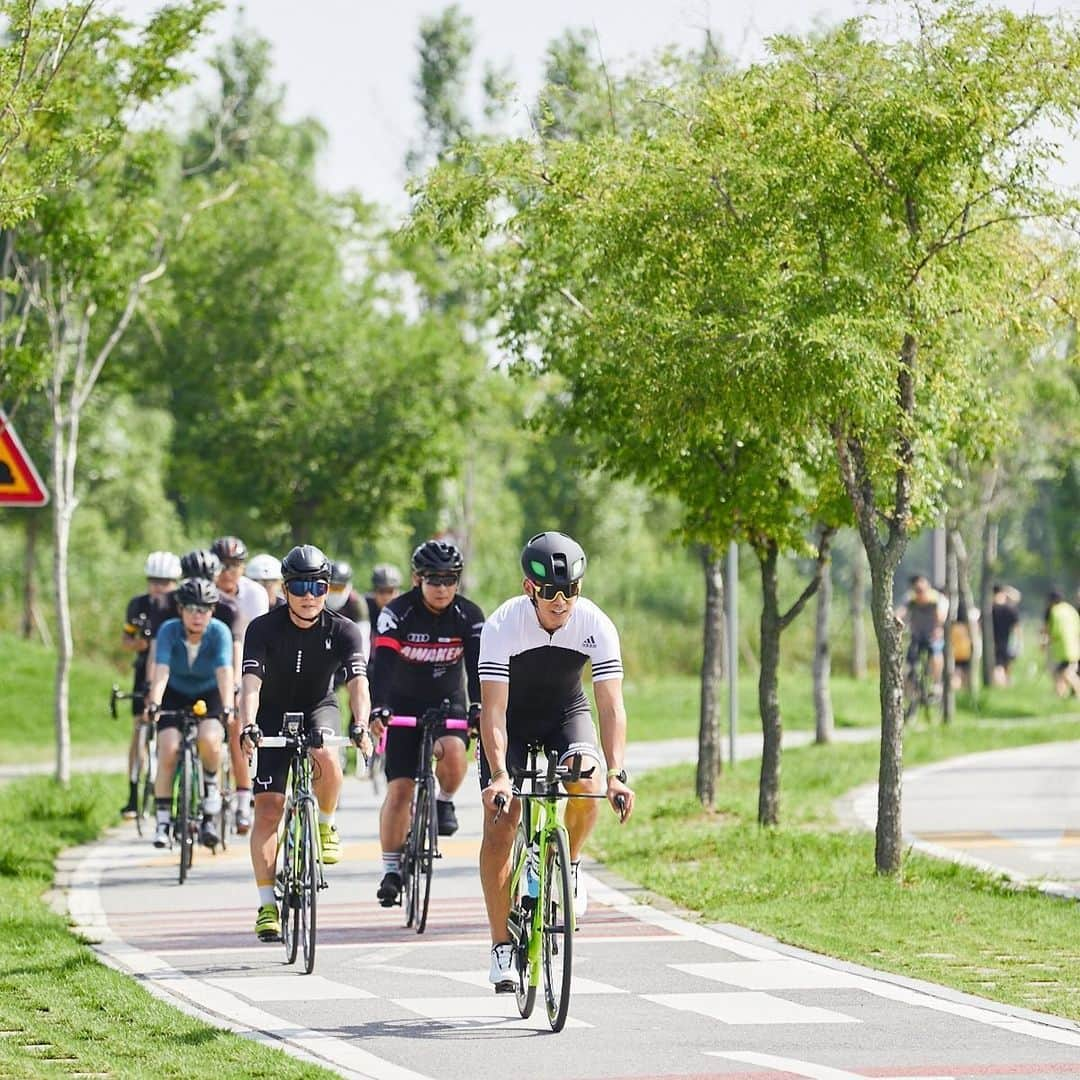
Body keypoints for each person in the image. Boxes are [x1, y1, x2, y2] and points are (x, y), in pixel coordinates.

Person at [477, 531, 635, 991]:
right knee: (501, 824)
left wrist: (617, 772)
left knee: (586, 781)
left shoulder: (596, 624)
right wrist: (501, 775)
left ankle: (570, 865)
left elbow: (609, 705)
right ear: (531, 589)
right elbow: (493, 710)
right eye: (551, 592)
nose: (562, 601)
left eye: (572, 590)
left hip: (567, 713)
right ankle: (501, 946)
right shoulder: (503, 624)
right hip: (513, 722)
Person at [238, 544, 372, 942]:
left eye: (318, 586)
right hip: (270, 713)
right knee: (269, 809)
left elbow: (358, 684)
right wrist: (248, 725)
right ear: (284, 588)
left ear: (328, 588)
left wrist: (361, 723)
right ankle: (266, 906)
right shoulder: (263, 628)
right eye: (299, 586)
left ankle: (326, 825)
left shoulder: (343, 629)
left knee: (325, 753)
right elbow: (250, 685)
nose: (310, 595)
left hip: (320, 707)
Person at [368, 539, 485, 908]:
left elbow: (479, 667)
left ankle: (444, 800)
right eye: (434, 579)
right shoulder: (397, 613)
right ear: (417, 579)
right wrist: (380, 707)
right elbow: (382, 664)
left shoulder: (469, 615)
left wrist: (479, 706)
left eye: (450, 579)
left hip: (448, 700)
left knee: (452, 751)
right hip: (402, 703)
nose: (442, 587)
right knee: (400, 790)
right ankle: (390, 870)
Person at [143, 577, 234, 849]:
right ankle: (162, 822)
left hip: (210, 693)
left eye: (204, 609)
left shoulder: (219, 633)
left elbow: (224, 672)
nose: (198, 615)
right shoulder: (169, 630)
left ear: (212, 611)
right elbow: (161, 670)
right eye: (192, 608)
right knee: (168, 748)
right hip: (175, 692)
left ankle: (210, 799)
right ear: (180, 609)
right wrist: (155, 702)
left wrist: (228, 705)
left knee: (209, 739)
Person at [181, 547, 250, 832]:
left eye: (206, 576)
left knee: (234, 726)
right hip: (183, 679)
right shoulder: (181, 602)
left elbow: (236, 650)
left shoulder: (227, 608)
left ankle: (243, 798)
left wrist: (234, 688)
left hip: (218, 678)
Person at [212, 536, 269, 834]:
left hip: (244, 662)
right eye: (222, 565)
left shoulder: (254, 594)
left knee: (236, 722)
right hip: (209, 664)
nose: (227, 571)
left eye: (234, 565)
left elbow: (257, 641)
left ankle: (243, 794)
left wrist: (241, 684)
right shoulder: (202, 592)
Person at [119, 551, 181, 817]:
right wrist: (142, 643)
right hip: (144, 668)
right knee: (139, 730)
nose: (158, 587)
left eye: (165, 581)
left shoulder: (180, 604)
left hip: (173, 671)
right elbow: (126, 639)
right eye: (154, 580)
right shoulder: (138, 605)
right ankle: (133, 794)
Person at [899, 574, 947, 692]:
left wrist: (935, 607)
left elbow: (941, 619)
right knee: (909, 665)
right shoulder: (910, 599)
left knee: (936, 653)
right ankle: (910, 695)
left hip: (933, 635)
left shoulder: (938, 599)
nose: (920, 593)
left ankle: (936, 683)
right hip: (916, 636)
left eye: (922, 589)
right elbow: (901, 612)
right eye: (917, 590)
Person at [1043, 589, 1080, 698]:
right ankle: (1060, 696)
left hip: (1062, 649)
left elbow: (1055, 631)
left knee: (1067, 674)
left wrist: (1046, 642)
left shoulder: (1054, 611)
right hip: (1074, 646)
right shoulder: (1071, 609)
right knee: (1060, 674)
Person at [991, 584, 1022, 687]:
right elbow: (1017, 628)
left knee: (998, 665)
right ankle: (1003, 685)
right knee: (1003, 666)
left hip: (993, 642)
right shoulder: (1010, 609)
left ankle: (1002, 685)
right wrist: (1019, 643)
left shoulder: (989, 609)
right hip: (1007, 641)